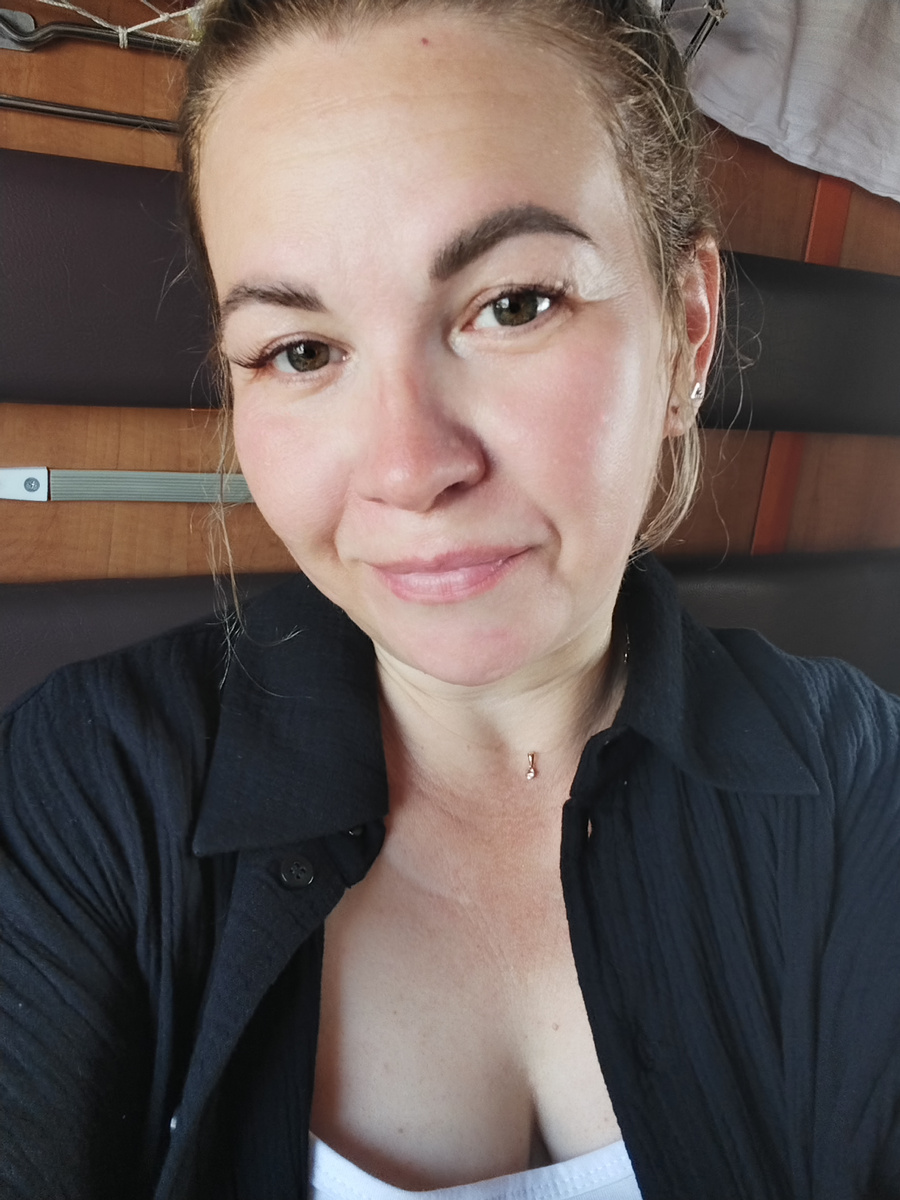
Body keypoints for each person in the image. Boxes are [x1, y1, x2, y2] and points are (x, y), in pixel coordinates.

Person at [3, 1, 900, 1198]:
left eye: (513, 304)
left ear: (687, 332)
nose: (407, 468)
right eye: (301, 351)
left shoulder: (860, 785)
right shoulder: (87, 788)